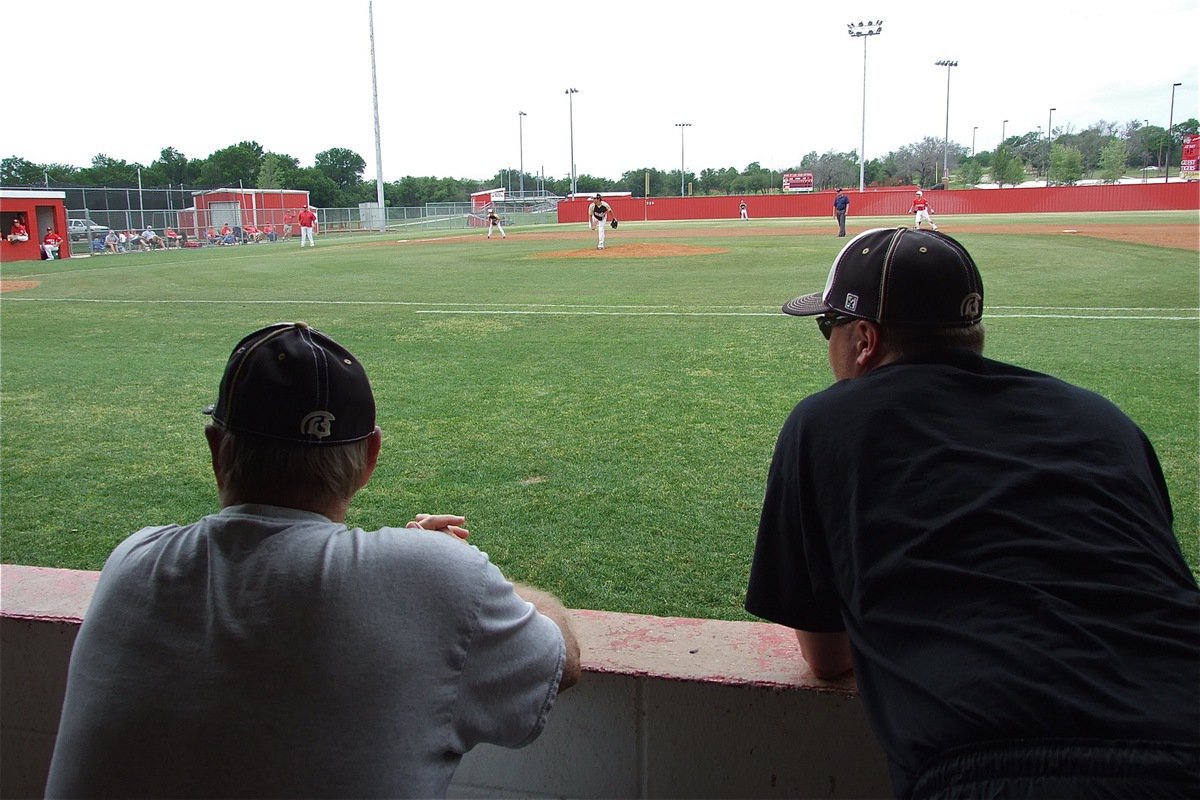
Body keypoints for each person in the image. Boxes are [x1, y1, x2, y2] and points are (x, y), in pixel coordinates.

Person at [745, 226, 1200, 800]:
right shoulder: (1104, 420)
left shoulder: (827, 423)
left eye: (826, 326)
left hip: (987, 765)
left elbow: (828, 658)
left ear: (864, 339)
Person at [45, 321, 581, 799]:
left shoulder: (132, 562)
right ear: (370, 458)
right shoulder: (435, 580)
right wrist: (445, 568)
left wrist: (410, 565)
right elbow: (563, 660)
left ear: (216, 449)